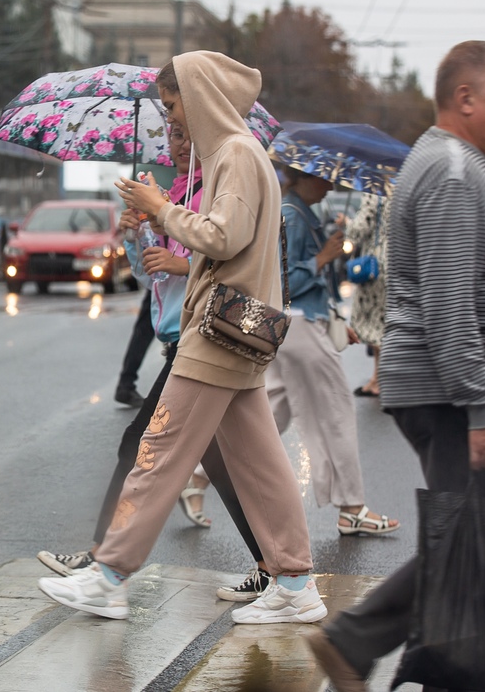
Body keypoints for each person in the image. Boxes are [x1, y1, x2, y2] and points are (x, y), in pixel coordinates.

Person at [39, 50, 326, 625]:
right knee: (260, 464)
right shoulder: (231, 155)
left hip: (218, 329)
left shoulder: (237, 155)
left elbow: (222, 237)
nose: (172, 118)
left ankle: (110, 576)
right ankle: (294, 582)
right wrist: (159, 215)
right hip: (234, 326)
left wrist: (162, 208)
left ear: (200, 99)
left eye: (174, 105)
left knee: (160, 451)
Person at [305, 40, 485, 690]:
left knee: (480, 541)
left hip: (443, 385)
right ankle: (356, 640)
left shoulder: (448, 163)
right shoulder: (456, 174)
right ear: (465, 97)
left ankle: (429, 662)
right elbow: (446, 303)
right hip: (449, 390)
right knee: (472, 542)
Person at [272, 167, 400, 537]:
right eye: (321, 178)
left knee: (271, 409)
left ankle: (199, 475)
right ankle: (352, 507)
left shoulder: (299, 214)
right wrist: (323, 258)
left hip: (297, 324)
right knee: (338, 410)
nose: (329, 186)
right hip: (300, 324)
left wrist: (333, 316)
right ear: (300, 178)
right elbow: (284, 280)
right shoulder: (293, 217)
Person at [344, 195, 392, 397]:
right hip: (402, 260)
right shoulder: (407, 185)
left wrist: (347, 225)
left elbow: (360, 227)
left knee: (376, 324)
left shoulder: (376, 192)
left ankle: (381, 380)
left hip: (377, 266)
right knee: (386, 322)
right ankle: (379, 378)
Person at [114, 288, 155, 407]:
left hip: (163, 281)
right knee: (173, 332)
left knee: (145, 329)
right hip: (171, 281)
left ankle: (125, 383)